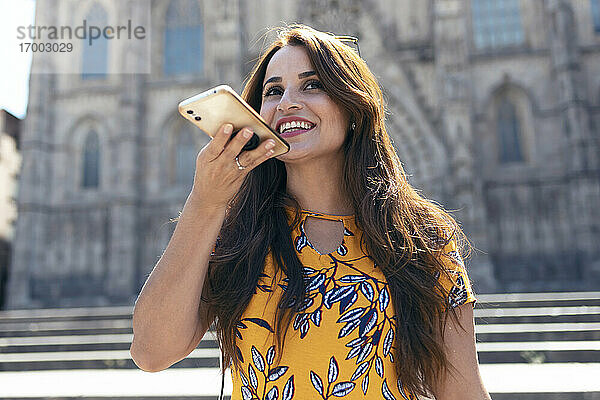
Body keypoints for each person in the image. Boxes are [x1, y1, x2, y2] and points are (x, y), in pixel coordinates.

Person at [130, 24, 491, 400]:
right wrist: (206, 202)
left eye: (312, 84)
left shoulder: (422, 240)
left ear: (353, 106)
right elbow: (151, 351)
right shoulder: (238, 238)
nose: (287, 102)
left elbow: (462, 391)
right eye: (273, 91)